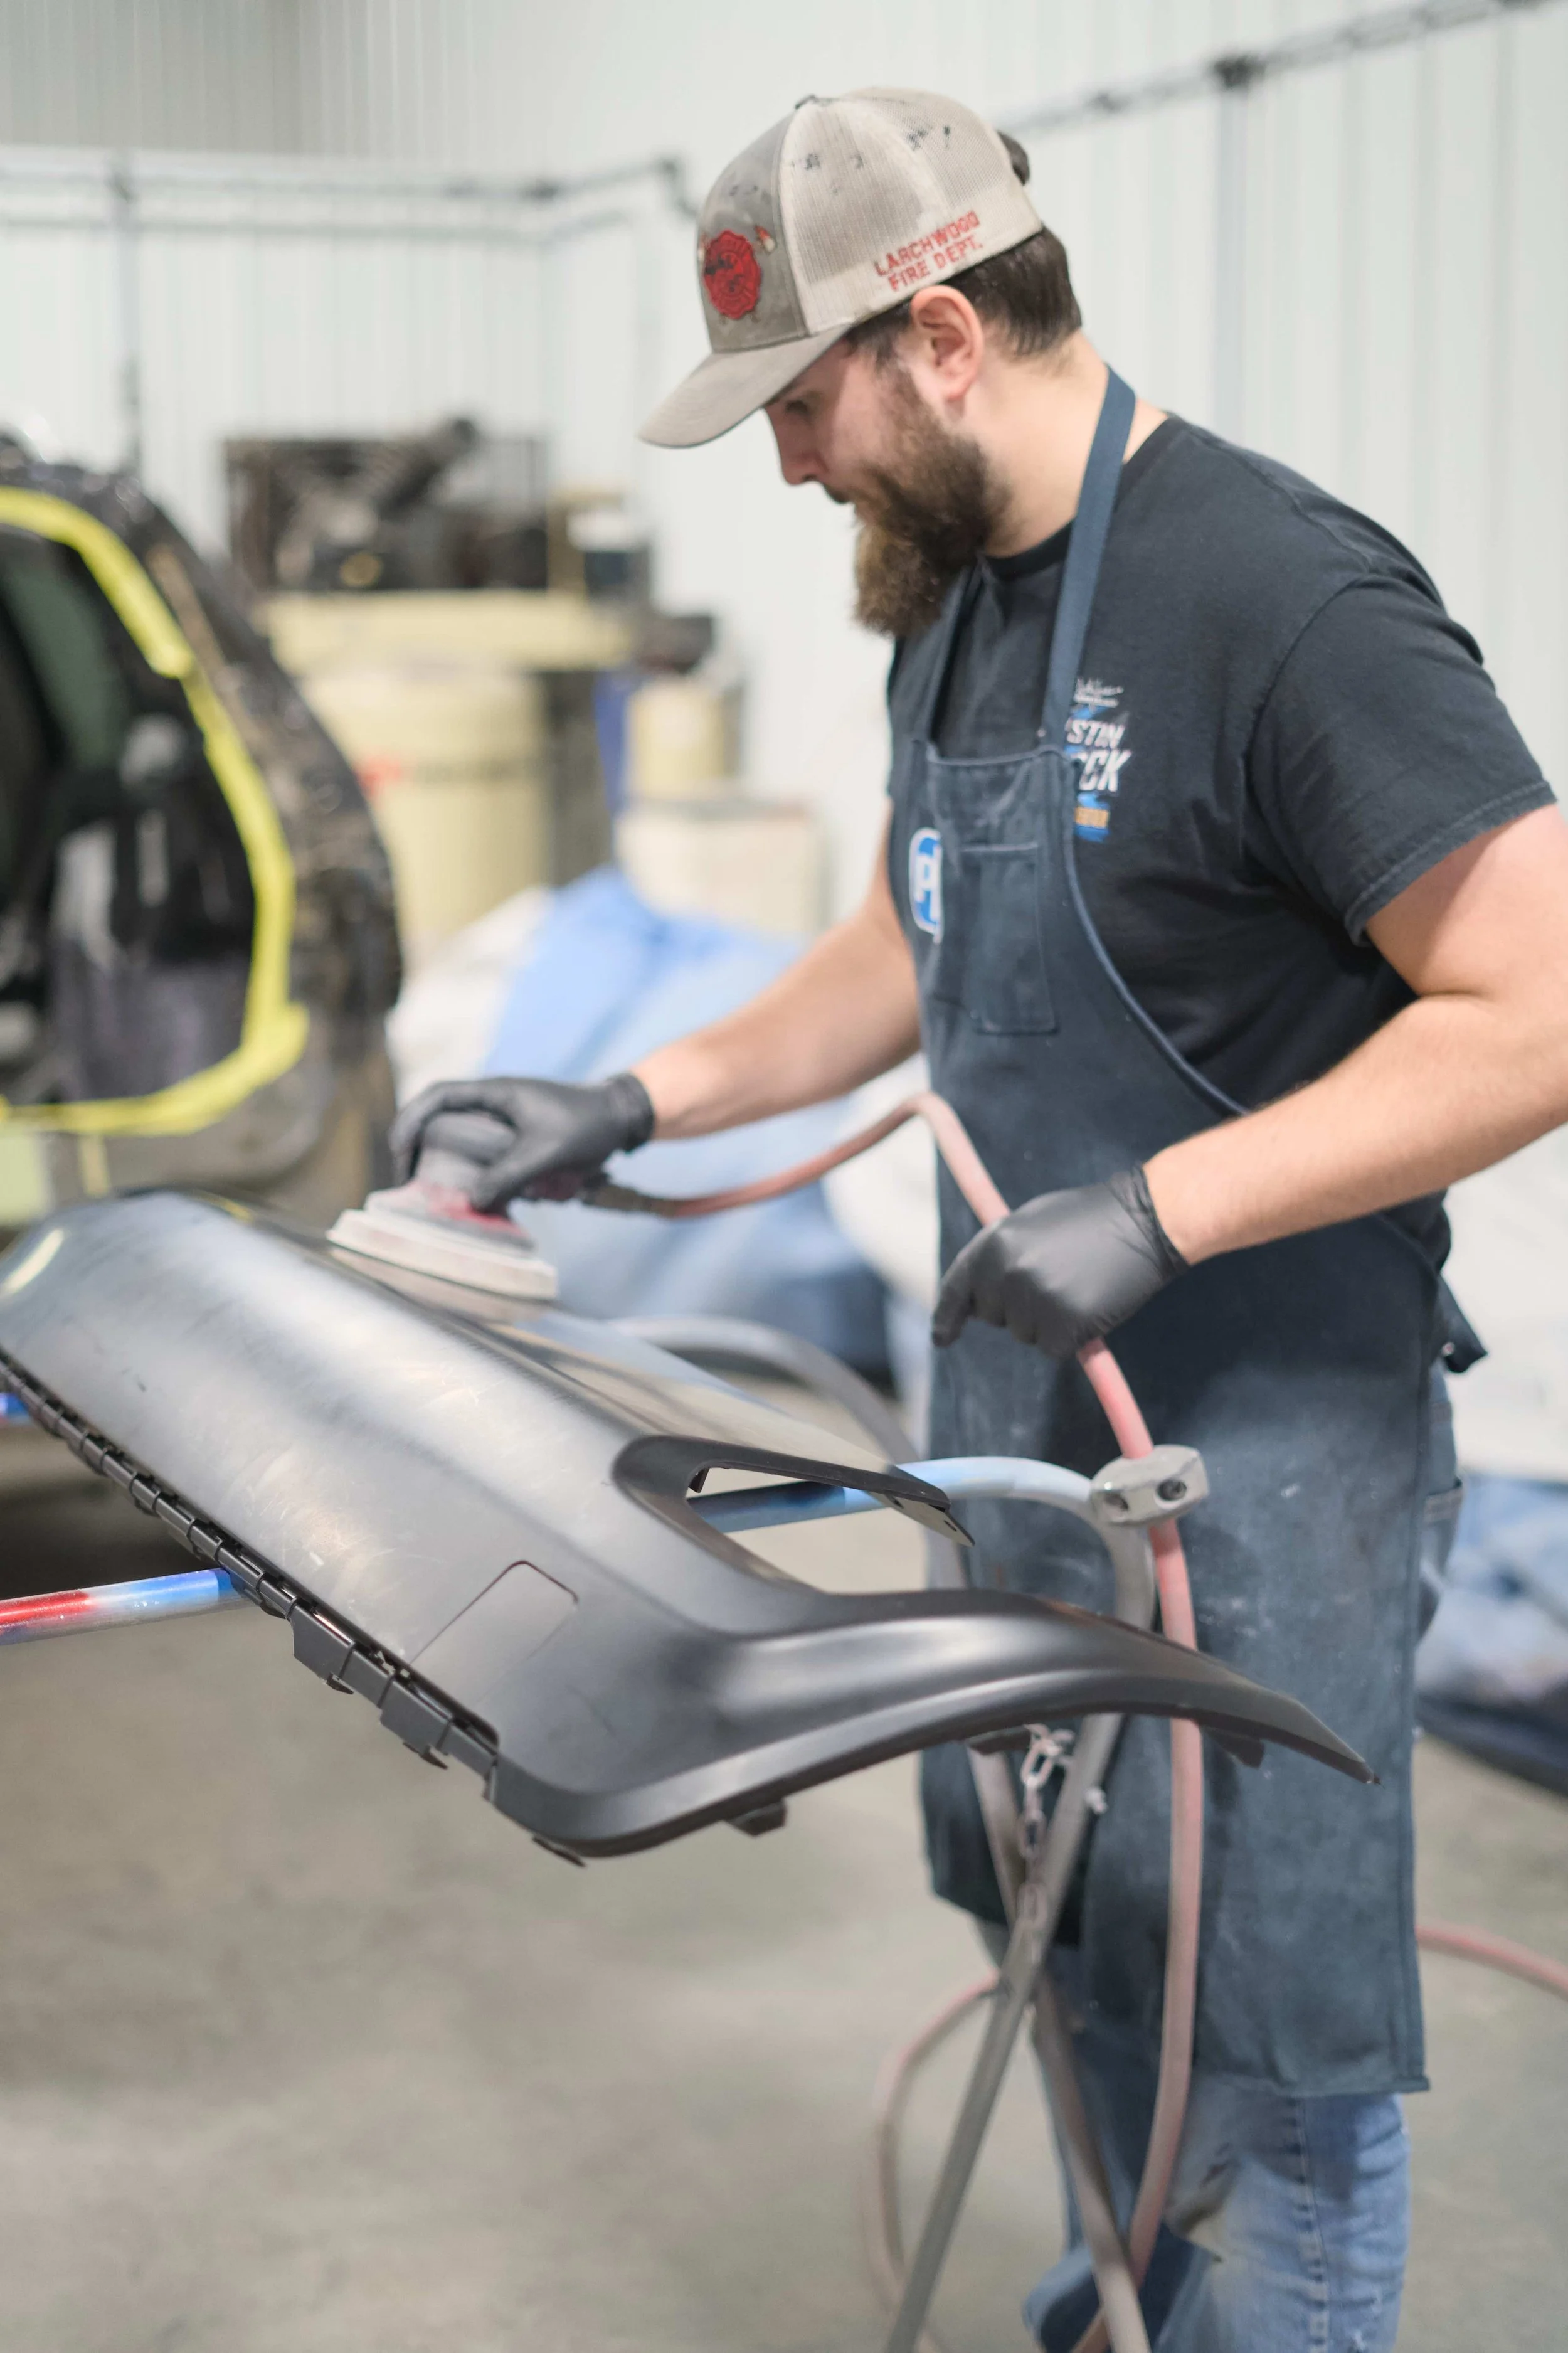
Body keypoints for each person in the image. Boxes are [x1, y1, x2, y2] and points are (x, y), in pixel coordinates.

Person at [393, 89, 1568, 2353]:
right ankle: (1131, 2307)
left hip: (1266, 1461)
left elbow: (1536, 1004)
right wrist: (637, 1089)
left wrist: (1170, 1200)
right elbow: (899, 939)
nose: (788, 466)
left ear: (938, 336)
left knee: (1272, 2022)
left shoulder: (1281, 599)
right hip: (1025, 1427)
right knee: (1067, 1926)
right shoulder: (955, 607)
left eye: (804, 401)